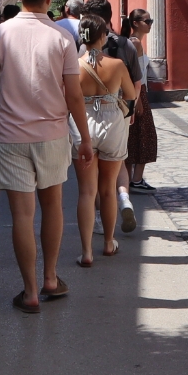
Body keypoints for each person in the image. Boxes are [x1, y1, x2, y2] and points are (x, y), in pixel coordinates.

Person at [0, 0, 89, 313]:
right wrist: (85, 138)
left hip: (10, 135)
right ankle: (51, 278)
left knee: (22, 216)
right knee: (52, 206)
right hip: (52, 134)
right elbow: (74, 96)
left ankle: (28, 291)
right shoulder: (61, 38)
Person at [73, 15, 136, 264]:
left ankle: (87, 252)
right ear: (102, 37)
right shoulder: (117, 64)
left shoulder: (73, 65)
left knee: (87, 192)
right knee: (108, 189)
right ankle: (109, 243)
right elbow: (130, 95)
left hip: (82, 123)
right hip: (111, 122)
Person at [120, 7, 160, 195]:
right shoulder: (134, 43)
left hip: (137, 92)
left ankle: (132, 179)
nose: (150, 24)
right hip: (137, 92)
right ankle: (134, 179)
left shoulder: (135, 42)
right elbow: (132, 74)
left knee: (137, 135)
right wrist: (137, 100)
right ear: (136, 23)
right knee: (144, 136)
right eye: (147, 21)